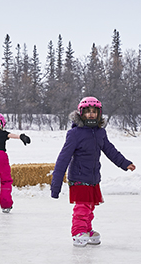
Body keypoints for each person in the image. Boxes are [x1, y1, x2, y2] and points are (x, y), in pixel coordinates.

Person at [51, 97, 136, 247]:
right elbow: (63, 158)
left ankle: (87, 230)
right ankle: (78, 232)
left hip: (93, 177)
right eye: (88, 111)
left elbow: (110, 151)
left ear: (99, 114)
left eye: (94, 112)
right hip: (78, 177)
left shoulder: (100, 133)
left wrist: (125, 163)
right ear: (81, 113)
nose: (91, 114)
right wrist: (56, 185)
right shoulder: (75, 134)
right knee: (82, 207)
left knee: (89, 206)